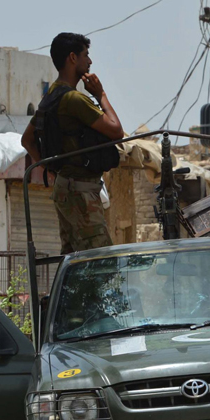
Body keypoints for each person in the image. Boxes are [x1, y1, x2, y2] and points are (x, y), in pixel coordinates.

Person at [21, 33, 125, 254]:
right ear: (72, 58)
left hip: (66, 187)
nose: (90, 61)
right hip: (81, 190)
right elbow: (116, 131)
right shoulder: (73, 99)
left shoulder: (51, 96)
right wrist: (101, 94)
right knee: (100, 260)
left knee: (73, 259)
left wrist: (50, 168)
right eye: (85, 55)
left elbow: (27, 139)